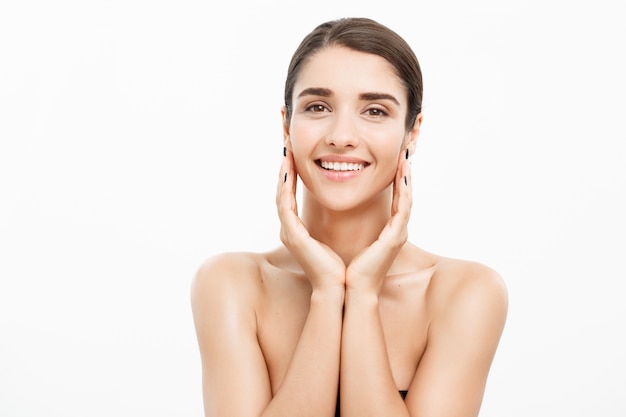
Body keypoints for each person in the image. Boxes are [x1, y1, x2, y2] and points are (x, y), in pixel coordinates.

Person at [191, 17, 508, 417]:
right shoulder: (229, 284)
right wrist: (327, 293)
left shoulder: (465, 293)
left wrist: (362, 293)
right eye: (318, 107)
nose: (341, 135)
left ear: (412, 132)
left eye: (374, 111)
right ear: (286, 125)